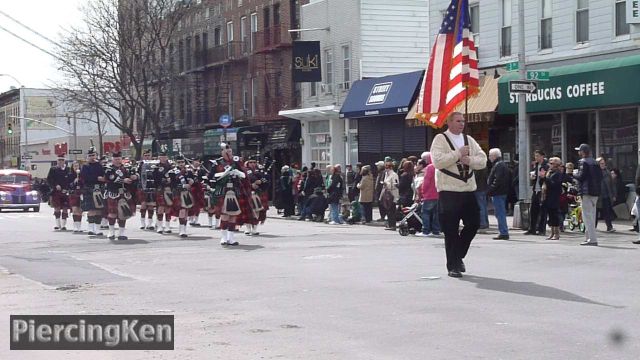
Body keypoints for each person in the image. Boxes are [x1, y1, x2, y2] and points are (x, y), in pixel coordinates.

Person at [430, 112, 487, 278]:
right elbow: (438, 161)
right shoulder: (440, 139)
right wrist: (458, 153)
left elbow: (482, 160)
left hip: (468, 190)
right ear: (449, 122)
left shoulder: (469, 140)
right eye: (458, 121)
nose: (462, 124)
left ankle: (459, 253)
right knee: (450, 230)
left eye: (463, 121)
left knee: (474, 223)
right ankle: (453, 265)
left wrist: (470, 161)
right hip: (449, 191)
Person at [103, 151, 138, 240]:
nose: (117, 160)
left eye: (119, 159)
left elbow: (134, 174)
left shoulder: (127, 168)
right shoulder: (109, 168)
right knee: (112, 213)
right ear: (112, 159)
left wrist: (134, 177)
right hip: (113, 192)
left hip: (125, 193)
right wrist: (123, 180)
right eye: (115, 159)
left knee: (123, 213)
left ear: (121, 159)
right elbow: (111, 178)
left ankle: (121, 233)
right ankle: (111, 232)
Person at [574, 144, 602, 246]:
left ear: (583, 152)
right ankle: (589, 237)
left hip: (586, 191)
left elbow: (581, 177)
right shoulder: (595, 162)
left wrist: (573, 174)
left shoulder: (583, 162)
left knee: (587, 216)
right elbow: (600, 177)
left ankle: (592, 239)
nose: (578, 152)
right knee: (592, 215)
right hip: (595, 192)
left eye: (579, 151)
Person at [80, 147, 106, 236]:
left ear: (96, 155)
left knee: (98, 210)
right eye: (90, 155)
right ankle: (90, 228)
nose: (92, 157)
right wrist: (96, 178)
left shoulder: (99, 165)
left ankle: (97, 229)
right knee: (91, 209)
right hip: (89, 189)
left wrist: (103, 179)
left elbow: (104, 175)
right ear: (87, 156)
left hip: (99, 189)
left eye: (93, 155)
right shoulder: (85, 166)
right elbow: (85, 177)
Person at [524, 150, 549, 236]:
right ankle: (532, 228)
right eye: (535, 156)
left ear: (542, 156)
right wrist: (533, 177)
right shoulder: (536, 165)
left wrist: (543, 177)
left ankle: (541, 229)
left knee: (543, 211)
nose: (536, 158)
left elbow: (547, 177)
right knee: (533, 210)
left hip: (542, 190)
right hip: (536, 189)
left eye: (538, 156)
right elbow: (535, 175)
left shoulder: (546, 166)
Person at [487, 148, 510, 240]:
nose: (489, 157)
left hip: (498, 192)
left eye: (490, 155)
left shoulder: (499, 165)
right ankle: (503, 231)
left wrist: (490, 189)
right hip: (500, 192)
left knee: (500, 213)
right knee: (498, 212)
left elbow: (498, 179)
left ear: (494, 156)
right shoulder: (500, 164)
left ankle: (504, 232)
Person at [417, 153, 440, 237]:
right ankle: (436, 230)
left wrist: (423, 191)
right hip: (439, 194)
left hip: (429, 194)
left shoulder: (429, 168)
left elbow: (426, 182)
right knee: (436, 214)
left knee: (425, 212)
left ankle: (425, 230)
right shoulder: (439, 166)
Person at [47, 154, 72, 231]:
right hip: (56, 191)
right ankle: (58, 224)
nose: (60, 162)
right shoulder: (53, 169)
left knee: (65, 208)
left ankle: (63, 225)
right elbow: (49, 180)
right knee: (57, 207)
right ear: (57, 161)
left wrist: (67, 188)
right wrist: (55, 186)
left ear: (64, 161)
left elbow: (70, 180)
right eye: (59, 160)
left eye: (62, 160)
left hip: (65, 191)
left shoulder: (68, 169)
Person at [540, 157, 563, 240]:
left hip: (554, 196)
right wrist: (543, 177)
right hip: (548, 196)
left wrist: (545, 178)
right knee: (550, 215)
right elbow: (545, 183)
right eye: (550, 163)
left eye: (552, 163)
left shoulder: (558, 173)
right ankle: (552, 233)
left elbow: (554, 185)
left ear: (556, 164)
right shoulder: (550, 172)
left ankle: (556, 233)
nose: (550, 165)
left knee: (554, 215)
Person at [137, 149, 157, 230]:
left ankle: (150, 223)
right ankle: (142, 223)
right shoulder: (140, 164)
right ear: (143, 156)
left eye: (148, 155)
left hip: (152, 186)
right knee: (143, 204)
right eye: (145, 155)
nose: (147, 157)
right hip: (142, 187)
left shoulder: (155, 164)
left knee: (151, 205)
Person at [595, 157, 616, 232]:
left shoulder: (607, 172)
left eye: (604, 163)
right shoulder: (595, 172)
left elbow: (612, 184)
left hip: (606, 195)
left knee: (607, 211)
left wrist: (613, 195)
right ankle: (593, 227)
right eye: (601, 163)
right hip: (597, 196)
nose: (603, 165)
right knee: (595, 212)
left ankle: (609, 227)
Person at [380, 160, 399, 231]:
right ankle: (390, 224)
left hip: (392, 195)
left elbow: (395, 185)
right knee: (388, 210)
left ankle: (392, 225)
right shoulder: (386, 174)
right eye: (385, 166)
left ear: (391, 167)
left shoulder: (394, 174)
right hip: (386, 194)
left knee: (391, 210)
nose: (386, 168)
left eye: (387, 166)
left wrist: (386, 184)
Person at [68, 161, 84, 233]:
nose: (76, 167)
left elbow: (84, 183)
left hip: (80, 193)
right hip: (73, 193)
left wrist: (80, 181)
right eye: (75, 166)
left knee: (80, 210)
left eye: (77, 166)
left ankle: (79, 226)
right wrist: (74, 182)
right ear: (72, 167)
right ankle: (75, 226)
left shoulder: (82, 175)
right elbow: (67, 184)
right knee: (74, 209)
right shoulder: (70, 175)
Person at [474, 164, 490, 230]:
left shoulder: (478, 167)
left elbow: (475, 178)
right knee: (484, 206)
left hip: (478, 188)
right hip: (483, 188)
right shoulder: (484, 166)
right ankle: (485, 222)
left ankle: (482, 223)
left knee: (480, 207)